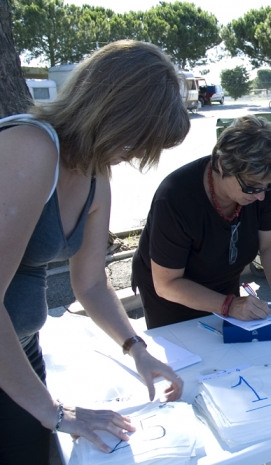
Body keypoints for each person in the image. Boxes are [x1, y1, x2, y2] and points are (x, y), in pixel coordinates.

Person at [0, 40, 189, 463]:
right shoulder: (31, 147)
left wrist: (137, 350)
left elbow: (89, 281)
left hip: (19, 349)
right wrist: (57, 411)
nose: (138, 155)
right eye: (140, 140)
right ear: (113, 111)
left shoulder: (94, 172)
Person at [132, 115, 271, 330]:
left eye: (268, 186)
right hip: (173, 296)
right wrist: (228, 305)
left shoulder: (260, 188)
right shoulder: (175, 197)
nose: (260, 196)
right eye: (251, 186)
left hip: (224, 285)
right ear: (222, 165)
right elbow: (167, 284)